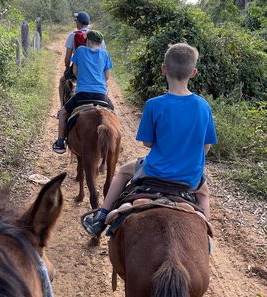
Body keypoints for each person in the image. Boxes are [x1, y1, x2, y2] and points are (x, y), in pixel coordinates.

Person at [83, 43, 218, 237]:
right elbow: (206, 147)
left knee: (122, 172)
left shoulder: (154, 104)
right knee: (204, 192)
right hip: (189, 178)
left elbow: (148, 143)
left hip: (155, 171)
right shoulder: (203, 106)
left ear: (164, 69)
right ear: (193, 72)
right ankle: (205, 232)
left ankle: (101, 218)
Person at [53, 30, 114, 154]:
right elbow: (107, 76)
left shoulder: (80, 50)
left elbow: (75, 71)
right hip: (101, 95)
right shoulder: (105, 54)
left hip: (82, 94)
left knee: (64, 112)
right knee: (113, 114)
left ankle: (60, 142)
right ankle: (116, 141)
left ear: (87, 41)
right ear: (101, 43)